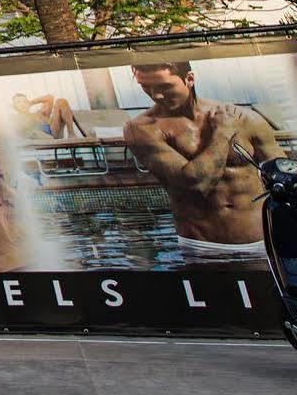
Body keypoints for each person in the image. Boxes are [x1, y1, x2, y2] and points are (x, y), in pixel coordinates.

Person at [123, 60, 288, 258]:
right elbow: (197, 183)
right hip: (203, 246)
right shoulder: (142, 129)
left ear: (189, 79)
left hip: (265, 241)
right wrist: (223, 133)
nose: (156, 95)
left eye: (164, 86)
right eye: (145, 87)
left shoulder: (246, 119)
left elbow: (285, 177)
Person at [10, 92, 85, 139]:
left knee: (61, 101)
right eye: (19, 102)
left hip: (54, 131)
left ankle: (71, 134)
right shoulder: (15, 119)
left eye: (24, 101)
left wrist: (31, 102)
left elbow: (50, 97)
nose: (22, 103)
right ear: (14, 106)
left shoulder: (38, 114)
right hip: (44, 137)